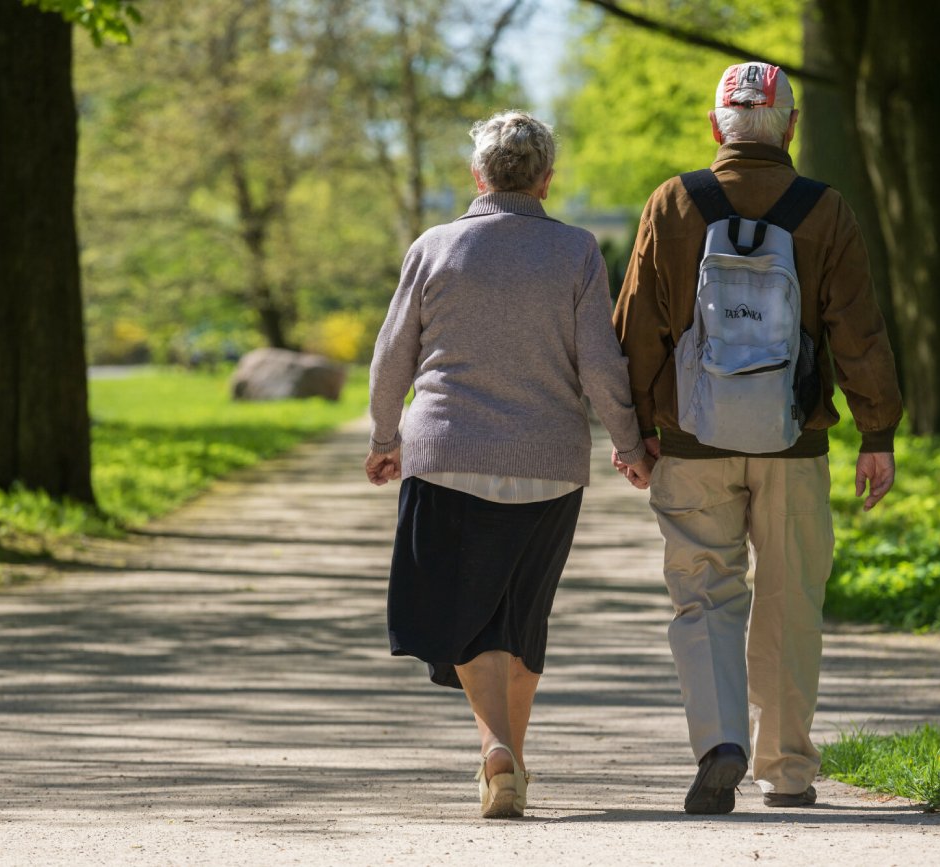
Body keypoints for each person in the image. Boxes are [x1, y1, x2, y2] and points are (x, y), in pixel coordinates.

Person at [612, 62, 903, 814]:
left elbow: (638, 328)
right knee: (789, 600)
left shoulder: (674, 203)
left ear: (717, 128)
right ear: (792, 129)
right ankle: (788, 768)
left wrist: (634, 430)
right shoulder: (825, 209)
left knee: (703, 595)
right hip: (794, 440)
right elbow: (858, 330)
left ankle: (721, 743)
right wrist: (878, 429)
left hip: (691, 440)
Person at [366, 110, 652, 820]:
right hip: (549, 464)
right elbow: (600, 362)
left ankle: (496, 749)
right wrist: (629, 441)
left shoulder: (434, 247)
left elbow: (392, 353)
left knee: (466, 614)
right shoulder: (578, 251)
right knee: (521, 617)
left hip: (447, 455)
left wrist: (382, 435)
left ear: (478, 175)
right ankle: (513, 765)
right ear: (547, 180)